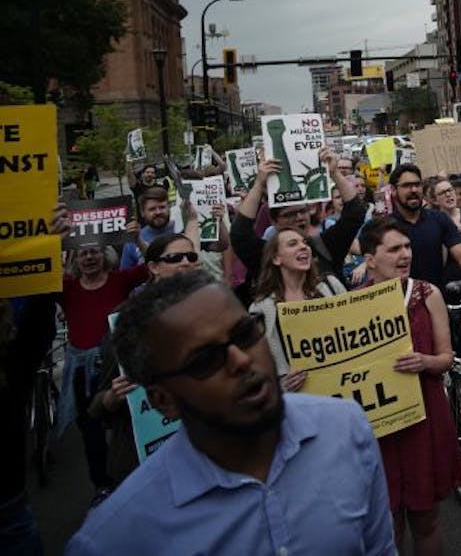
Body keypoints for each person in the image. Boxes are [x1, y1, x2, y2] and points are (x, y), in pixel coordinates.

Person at [68, 270, 396, 555]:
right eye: (205, 359)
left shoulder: (345, 426)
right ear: (163, 400)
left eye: (245, 334)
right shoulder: (114, 539)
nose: (241, 360)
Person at [358, 216, 461, 556]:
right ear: (370, 258)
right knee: (387, 522)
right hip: (379, 425)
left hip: (423, 415)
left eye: (407, 247)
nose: (405, 255)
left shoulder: (427, 293)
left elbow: (447, 356)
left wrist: (425, 362)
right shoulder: (352, 303)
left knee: (426, 517)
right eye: (394, 249)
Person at [88, 231, 206, 485]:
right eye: (175, 258)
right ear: (153, 267)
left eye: (191, 256)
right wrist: (112, 397)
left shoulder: (210, 312)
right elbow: (98, 406)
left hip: (201, 454)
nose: (185, 262)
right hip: (147, 465)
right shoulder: (126, 321)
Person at [56, 238, 152, 501]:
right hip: (82, 371)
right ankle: (103, 485)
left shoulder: (120, 280)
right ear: (75, 260)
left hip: (117, 367)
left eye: (95, 252)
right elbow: (44, 278)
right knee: (91, 429)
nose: (89, 257)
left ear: (105, 256)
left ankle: (135, 476)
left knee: (127, 425)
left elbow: (150, 267)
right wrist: (54, 241)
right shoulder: (68, 288)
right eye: (83, 253)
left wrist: (136, 241)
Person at [230, 148, 366, 288]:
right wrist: (258, 185)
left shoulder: (325, 247)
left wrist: (334, 173)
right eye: (289, 214)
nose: (299, 217)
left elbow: (355, 213)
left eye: (303, 211)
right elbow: (240, 234)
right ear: (274, 221)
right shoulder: (264, 256)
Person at [385, 162, 461, 300]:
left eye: (417, 184)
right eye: (406, 185)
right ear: (393, 190)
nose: (413, 190)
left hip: (437, 298)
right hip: (404, 302)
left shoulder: (440, 219)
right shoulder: (386, 226)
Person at [247, 228, 346, 391]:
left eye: (305, 243)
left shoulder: (331, 287)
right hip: (298, 400)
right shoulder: (261, 308)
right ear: (276, 259)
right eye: (293, 244)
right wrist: (280, 387)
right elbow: (256, 364)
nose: (303, 247)